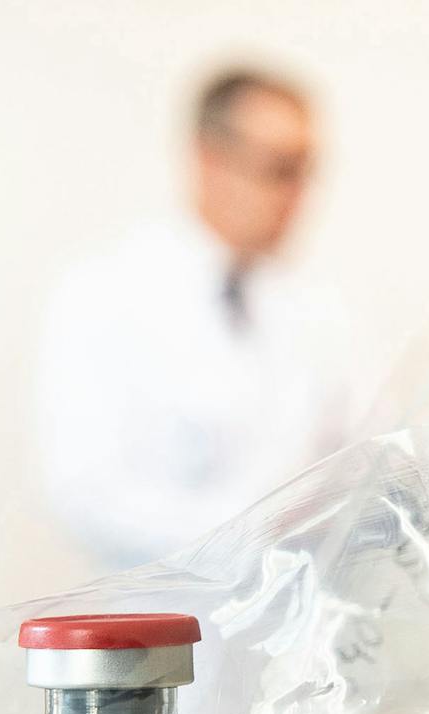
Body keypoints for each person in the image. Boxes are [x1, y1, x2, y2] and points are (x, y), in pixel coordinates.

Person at [38, 68, 350, 570]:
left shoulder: (314, 307)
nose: (297, 196)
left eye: (306, 170)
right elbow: (90, 497)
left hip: (293, 623)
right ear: (209, 160)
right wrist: (254, 531)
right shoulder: (104, 294)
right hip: (167, 621)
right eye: (278, 168)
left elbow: (347, 455)